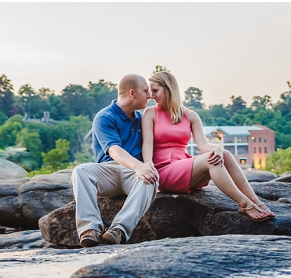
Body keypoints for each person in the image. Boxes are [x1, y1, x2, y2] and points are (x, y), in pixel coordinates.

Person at [142, 70, 275, 221]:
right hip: (164, 170)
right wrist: (147, 164)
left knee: (224, 154)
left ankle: (256, 201)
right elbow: (147, 143)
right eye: (150, 91)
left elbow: (203, 144)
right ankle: (243, 203)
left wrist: (218, 149)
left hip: (184, 167)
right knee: (210, 160)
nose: (152, 96)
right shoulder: (150, 113)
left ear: (169, 88)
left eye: (155, 91)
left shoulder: (190, 115)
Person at [71, 74, 159, 247]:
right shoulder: (105, 117)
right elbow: (114, 150)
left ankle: (118, 230)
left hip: (133, 175)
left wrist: (143, 168)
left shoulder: (142, 119)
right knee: (80, 171)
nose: (149, 96)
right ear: (132, 93)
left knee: (150, 179)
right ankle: (90, 229)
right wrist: (139, 166)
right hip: (108, 171)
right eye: (145, 91)